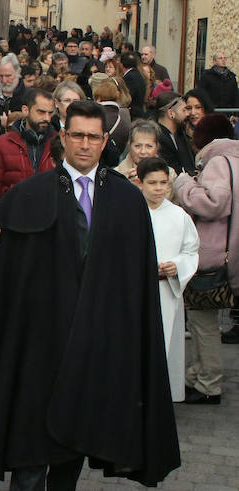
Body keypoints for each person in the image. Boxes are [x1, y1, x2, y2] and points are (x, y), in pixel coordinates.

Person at [0, 100, 181, 488]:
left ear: (105, 141)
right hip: (39, 349)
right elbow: (9, 291)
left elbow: (135, 286)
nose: (84, 144)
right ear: (63, 137)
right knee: (31, 453)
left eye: (93, 137)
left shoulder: (127, 200)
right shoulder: (29, 196)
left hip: (94, 347)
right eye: (77, 135)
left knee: (72, 450)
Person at [172, 135, 239, 405]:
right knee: (203, 321)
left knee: (203, 323)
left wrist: (184, 183)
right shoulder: (234, 160)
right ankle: (197, 375)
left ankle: (208, 383)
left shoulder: (217, 162)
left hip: (211, 256)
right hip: (228, 254)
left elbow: (214, 203)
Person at [137, 157, 199, 403]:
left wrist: (179, 266)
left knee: (165, 344)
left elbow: (191, 250)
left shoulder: (179, 216)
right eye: (152, 183)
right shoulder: (131, 212)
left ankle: (160, 397)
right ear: (140, 183)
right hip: (137, 289)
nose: (159, 188)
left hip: (167, 289)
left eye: (164, 183)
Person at [0, 88, 58, 249]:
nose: (47, 118)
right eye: (41, 112)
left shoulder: (59, 144)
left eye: (50, 113)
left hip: (50, 230)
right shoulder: (3, 144)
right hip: (12, 229)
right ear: (25, 110)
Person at [116, 120, 176, 194]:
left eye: (149, 146)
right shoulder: (117, 175)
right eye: (137, 146)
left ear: (157, 147)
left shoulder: (170, 174)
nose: (143, 151)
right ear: (129, 145)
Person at [154, 92, 195, 174]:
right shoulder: (159, 139)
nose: (188, 114)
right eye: (184, 110)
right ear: (171, 113)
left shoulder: (180, 135)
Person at [122, 51, 146, 119]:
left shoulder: (129, 77)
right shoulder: (138, 74)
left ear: (122, 64)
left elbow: (127, 97)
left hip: (133, 114)